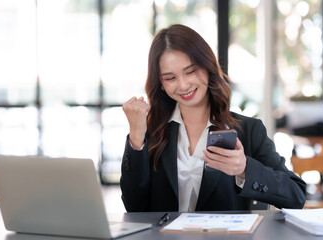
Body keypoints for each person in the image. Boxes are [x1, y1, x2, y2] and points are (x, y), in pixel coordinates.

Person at [120, 24, 306, 212]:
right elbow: (134, 207)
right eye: (170, 78)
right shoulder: (151, 132)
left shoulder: (249, 131)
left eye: (190, 71)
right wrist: (136, 138)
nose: (183, 85)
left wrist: (244, 169)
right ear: (160, 83)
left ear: (207, 66)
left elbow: (296, 195)